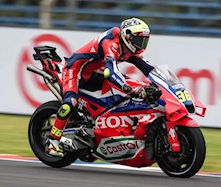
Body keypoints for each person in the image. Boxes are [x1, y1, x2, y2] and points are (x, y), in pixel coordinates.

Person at [48, 17, 161, 157]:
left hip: (96, 71)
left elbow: (148, 68)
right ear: (127, 36)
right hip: (76, 71)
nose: (141, 44)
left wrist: (164, 84)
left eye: (144, 40)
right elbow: (111, 72)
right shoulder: (110, 43)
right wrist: (131, 90)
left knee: (134, 86)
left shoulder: (129, 49)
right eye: (139, 40)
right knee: (70, 103)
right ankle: (53, 142)